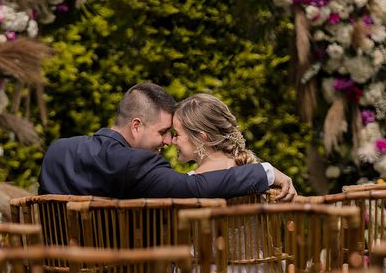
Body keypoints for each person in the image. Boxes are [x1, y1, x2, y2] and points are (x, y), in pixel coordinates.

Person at [173, 93, 321, 273]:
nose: (173, 141)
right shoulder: (257, 175)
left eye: (177, 135)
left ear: (201, 138)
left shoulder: (190, 184)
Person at [39, 82, 297, 200]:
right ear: (136, 125)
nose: (167, 141)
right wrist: (266, 171)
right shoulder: (135, 163)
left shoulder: (56, 151)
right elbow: (195, 189)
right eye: (163, 131)